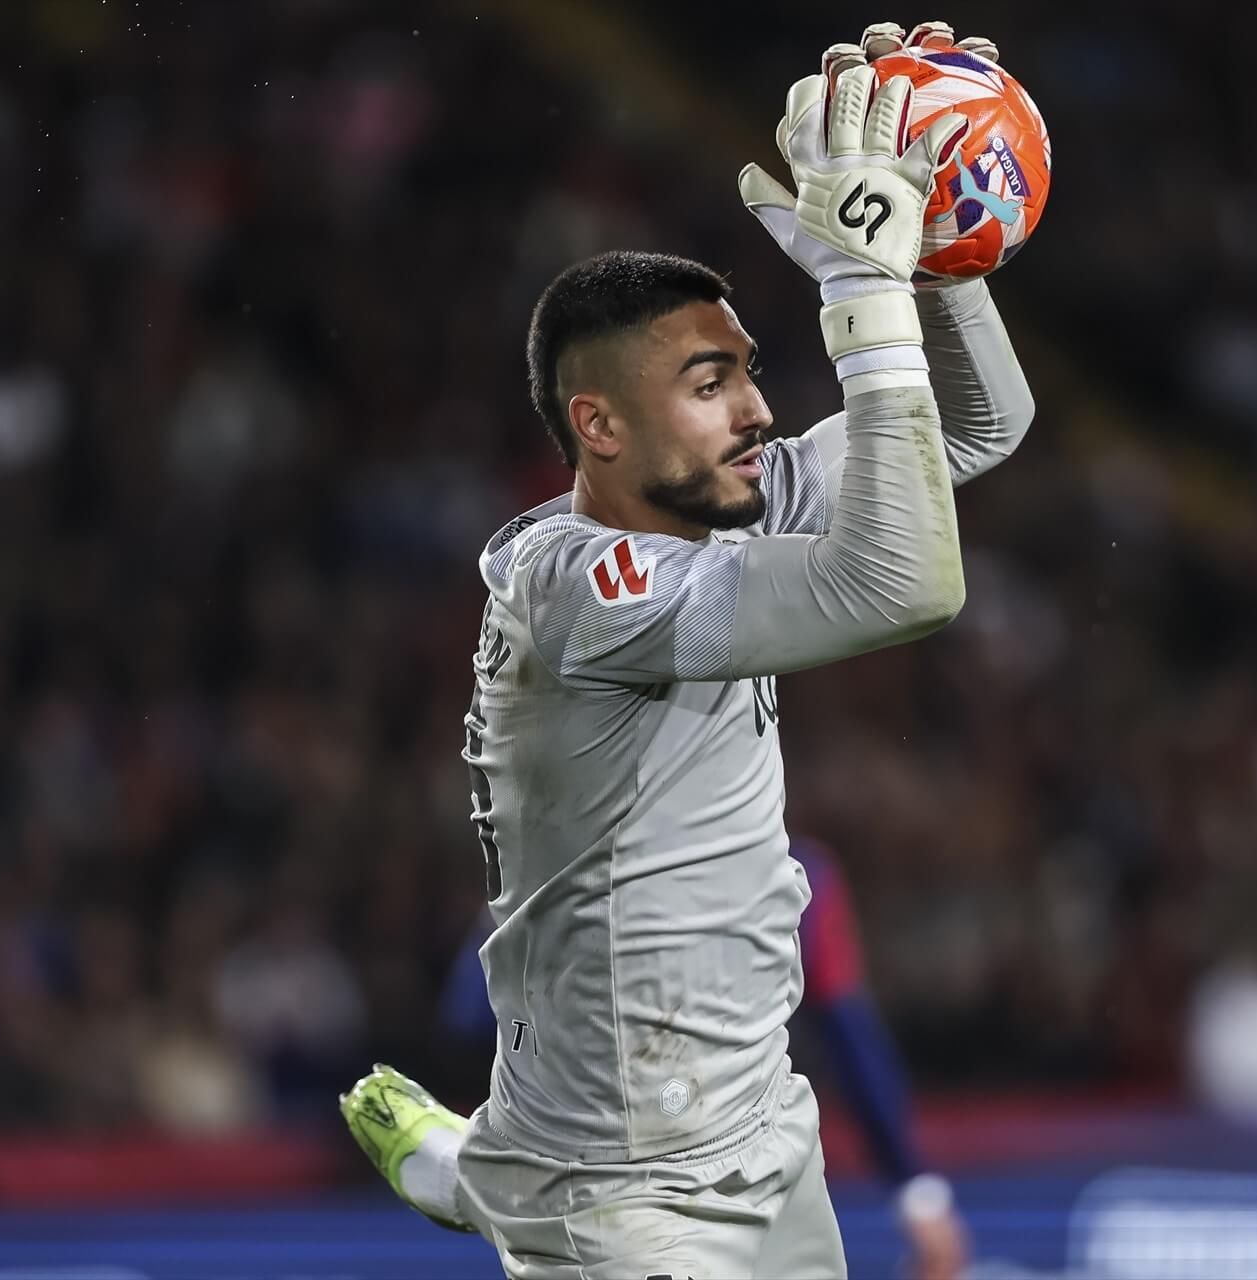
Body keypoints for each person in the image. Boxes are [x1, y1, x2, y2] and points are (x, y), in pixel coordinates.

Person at [341, 20, 1033, 1278]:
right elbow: (908, 581)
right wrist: (861, 296)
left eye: (750, 374)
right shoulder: (583, 594)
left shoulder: (725, 497)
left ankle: (469, 1170)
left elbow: (981, 426)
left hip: (764, 1140)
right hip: (619, 1191)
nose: (761, 409)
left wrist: (938, 248)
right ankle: (483, 1174)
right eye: (710, 382)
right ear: (597, 426)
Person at [433, 836, 973, 1279]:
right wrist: (915, 1193)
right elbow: (470, 1020)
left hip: (643, 1170)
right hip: (668, 1175)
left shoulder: (791, 877)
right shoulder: (788, 873)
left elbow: (471, 1016)